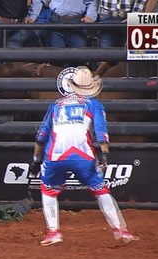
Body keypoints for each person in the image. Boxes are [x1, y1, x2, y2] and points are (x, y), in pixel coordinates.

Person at [30, 66, 140, 246]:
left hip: (55, 156)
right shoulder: (93, 105)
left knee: (48, 191)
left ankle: (53, 232)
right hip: (83, 156)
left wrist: (36, 160)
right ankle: (121, 230)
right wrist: (104, 154)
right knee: (101, 191)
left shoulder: (56, 105)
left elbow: (41, 136)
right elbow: (101, 132)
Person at [27, 0, 98, 51]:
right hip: (55, 22)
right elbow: (39, 1)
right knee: (56, 57)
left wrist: (90, 16)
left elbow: (91, 2)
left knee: (77, 57)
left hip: (77, 24)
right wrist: (32, 17)